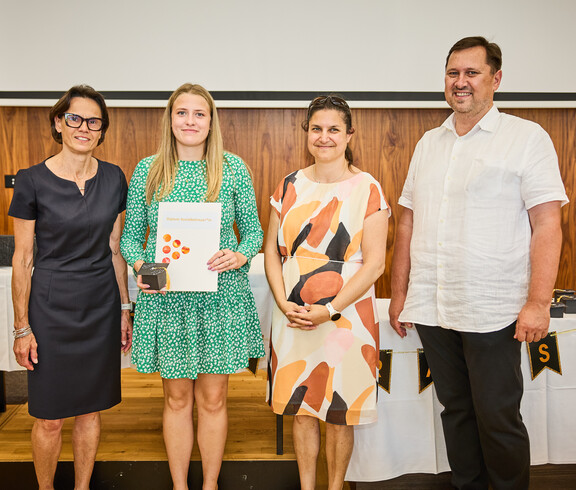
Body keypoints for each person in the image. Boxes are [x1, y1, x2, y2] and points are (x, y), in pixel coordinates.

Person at [389, 36, 569, 490]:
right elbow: (408, 221)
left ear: (496, 79)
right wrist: (399, 293)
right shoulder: (429, 143)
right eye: (453, 73)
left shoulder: (526, 138)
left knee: (497, 417)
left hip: (493, 310)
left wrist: (538, 302)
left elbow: (548, 224)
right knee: (456, 412)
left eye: (472, 72)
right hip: (433, 306)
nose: (461, 82)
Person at [120, 83, 264, 490]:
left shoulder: (232, 168)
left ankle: (210, 485)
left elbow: (254, 232)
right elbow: (130, 239)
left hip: (219, 299)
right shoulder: (148, 170)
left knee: (214, 400)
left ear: (211, 121)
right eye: (181, 112)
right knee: (177, 399)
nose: (190, 121)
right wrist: (143, 267)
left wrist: (239, 255)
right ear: (170, 119)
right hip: (167, 301)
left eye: (199, 114)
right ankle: (180, 486)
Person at [9, 85, 132, 490]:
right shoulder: (31, 181)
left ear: (102, 130)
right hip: (50, 310)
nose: (84, 127)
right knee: (49, 417)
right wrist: (22, 327)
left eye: (94, 122)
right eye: (75, 118)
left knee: (90, 411)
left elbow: (115, 249)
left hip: (99, 306)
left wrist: (124, 308)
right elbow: (23, 259)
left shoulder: (114, 178)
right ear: (58, 123)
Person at [265, 95, 389, 490]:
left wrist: (331, 309)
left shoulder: (368, 187)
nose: (324, 137)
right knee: (301, 409)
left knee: (339, 411)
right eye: (316, 128)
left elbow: (375, 264)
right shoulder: (289, 184)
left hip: (346, 318)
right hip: (293, 314)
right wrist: (283, 302)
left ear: (349, 134)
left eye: (334, 129)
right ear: (306, 132)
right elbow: (271, 252)